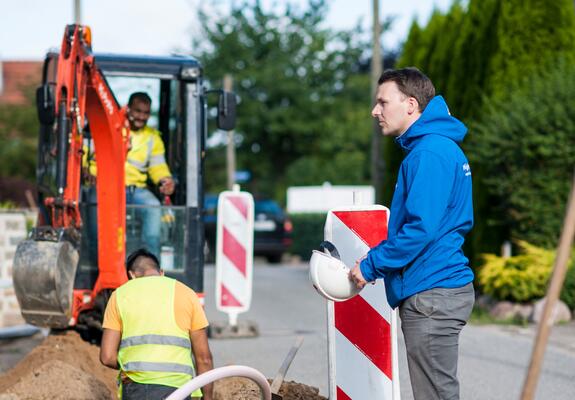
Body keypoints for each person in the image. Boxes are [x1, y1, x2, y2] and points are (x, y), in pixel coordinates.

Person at [349, 67, 475, 400]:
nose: (375, 111)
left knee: (435, 395)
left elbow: (420, 229)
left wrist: (371, 265)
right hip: (437, 289)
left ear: (410, 104)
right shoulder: (435, 149)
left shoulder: (429, 153)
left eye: (382, 102)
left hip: (432, 292)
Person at [100, 248, 213, 400]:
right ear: (161, 272)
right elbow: (204, 358)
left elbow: (107, 357)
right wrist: (208, 397)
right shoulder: (187, 293)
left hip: (136, 388)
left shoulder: (119, 295)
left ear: (132, 275)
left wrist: (133, 367)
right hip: (179, 389)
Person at [84, 92, 175, 257]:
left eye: (146, 113)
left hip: (135, 190)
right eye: (138, 111)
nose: (142, 116)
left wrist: (165, 180)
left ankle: (149, 264)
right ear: (128, 109)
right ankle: (95, 259)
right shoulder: (105, 127)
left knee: (153, 207)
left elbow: (158, 166)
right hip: (103, 186)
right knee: (95, 205)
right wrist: (85, 172)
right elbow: (82, 155)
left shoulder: (152, 138)